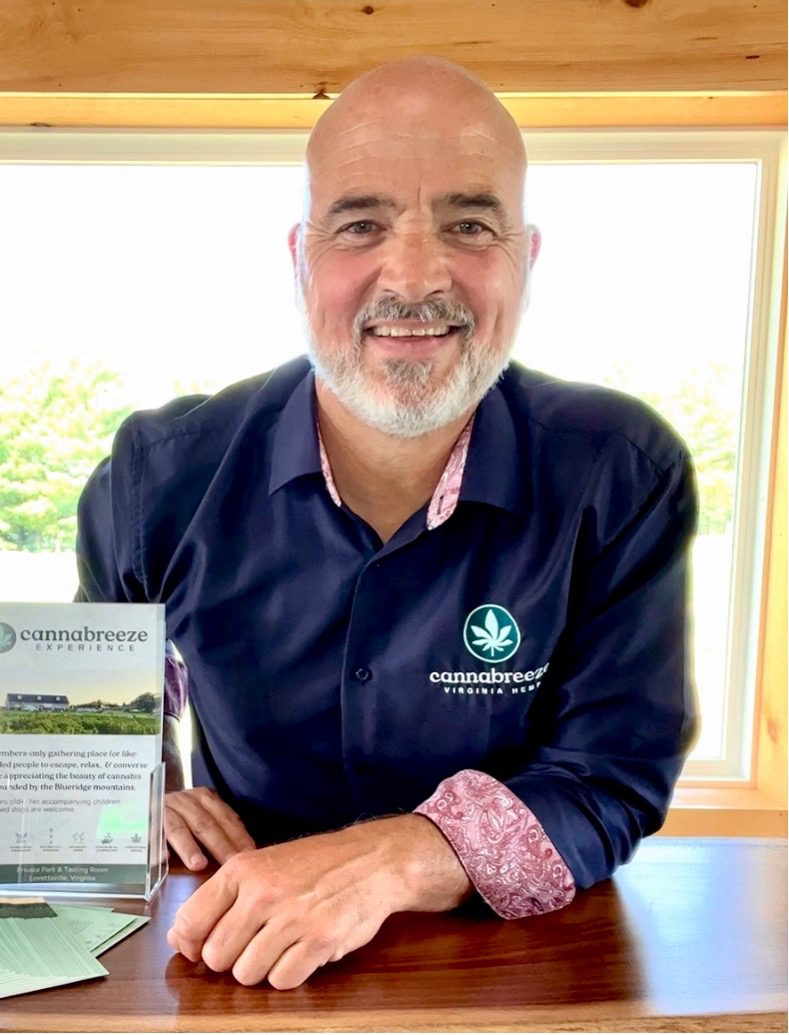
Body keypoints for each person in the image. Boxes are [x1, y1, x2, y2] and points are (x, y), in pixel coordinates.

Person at [75, 56, 698, 990]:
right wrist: (144, 790)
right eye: (361, 223)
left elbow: (612, 774)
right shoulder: (155, 476)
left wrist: (398, 858)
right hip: (225, 965)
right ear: (300, 258)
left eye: (469, 223)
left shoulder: (621, 472)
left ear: (524, 262)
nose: (412, 274)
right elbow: (88, 717)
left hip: (507, 970)